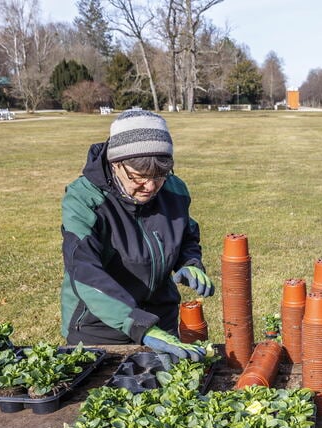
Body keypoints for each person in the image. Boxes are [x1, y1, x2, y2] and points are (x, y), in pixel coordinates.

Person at [61, 109, 214, 360]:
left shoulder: (174, 190)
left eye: (159, 176)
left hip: (160, 320)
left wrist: (189, 262)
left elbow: (185, 233)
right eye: (139, 177)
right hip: (100, 328)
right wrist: (138, 324)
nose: (151, 187)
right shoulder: (84, 200)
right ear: (116, 163)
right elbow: (84, 270)